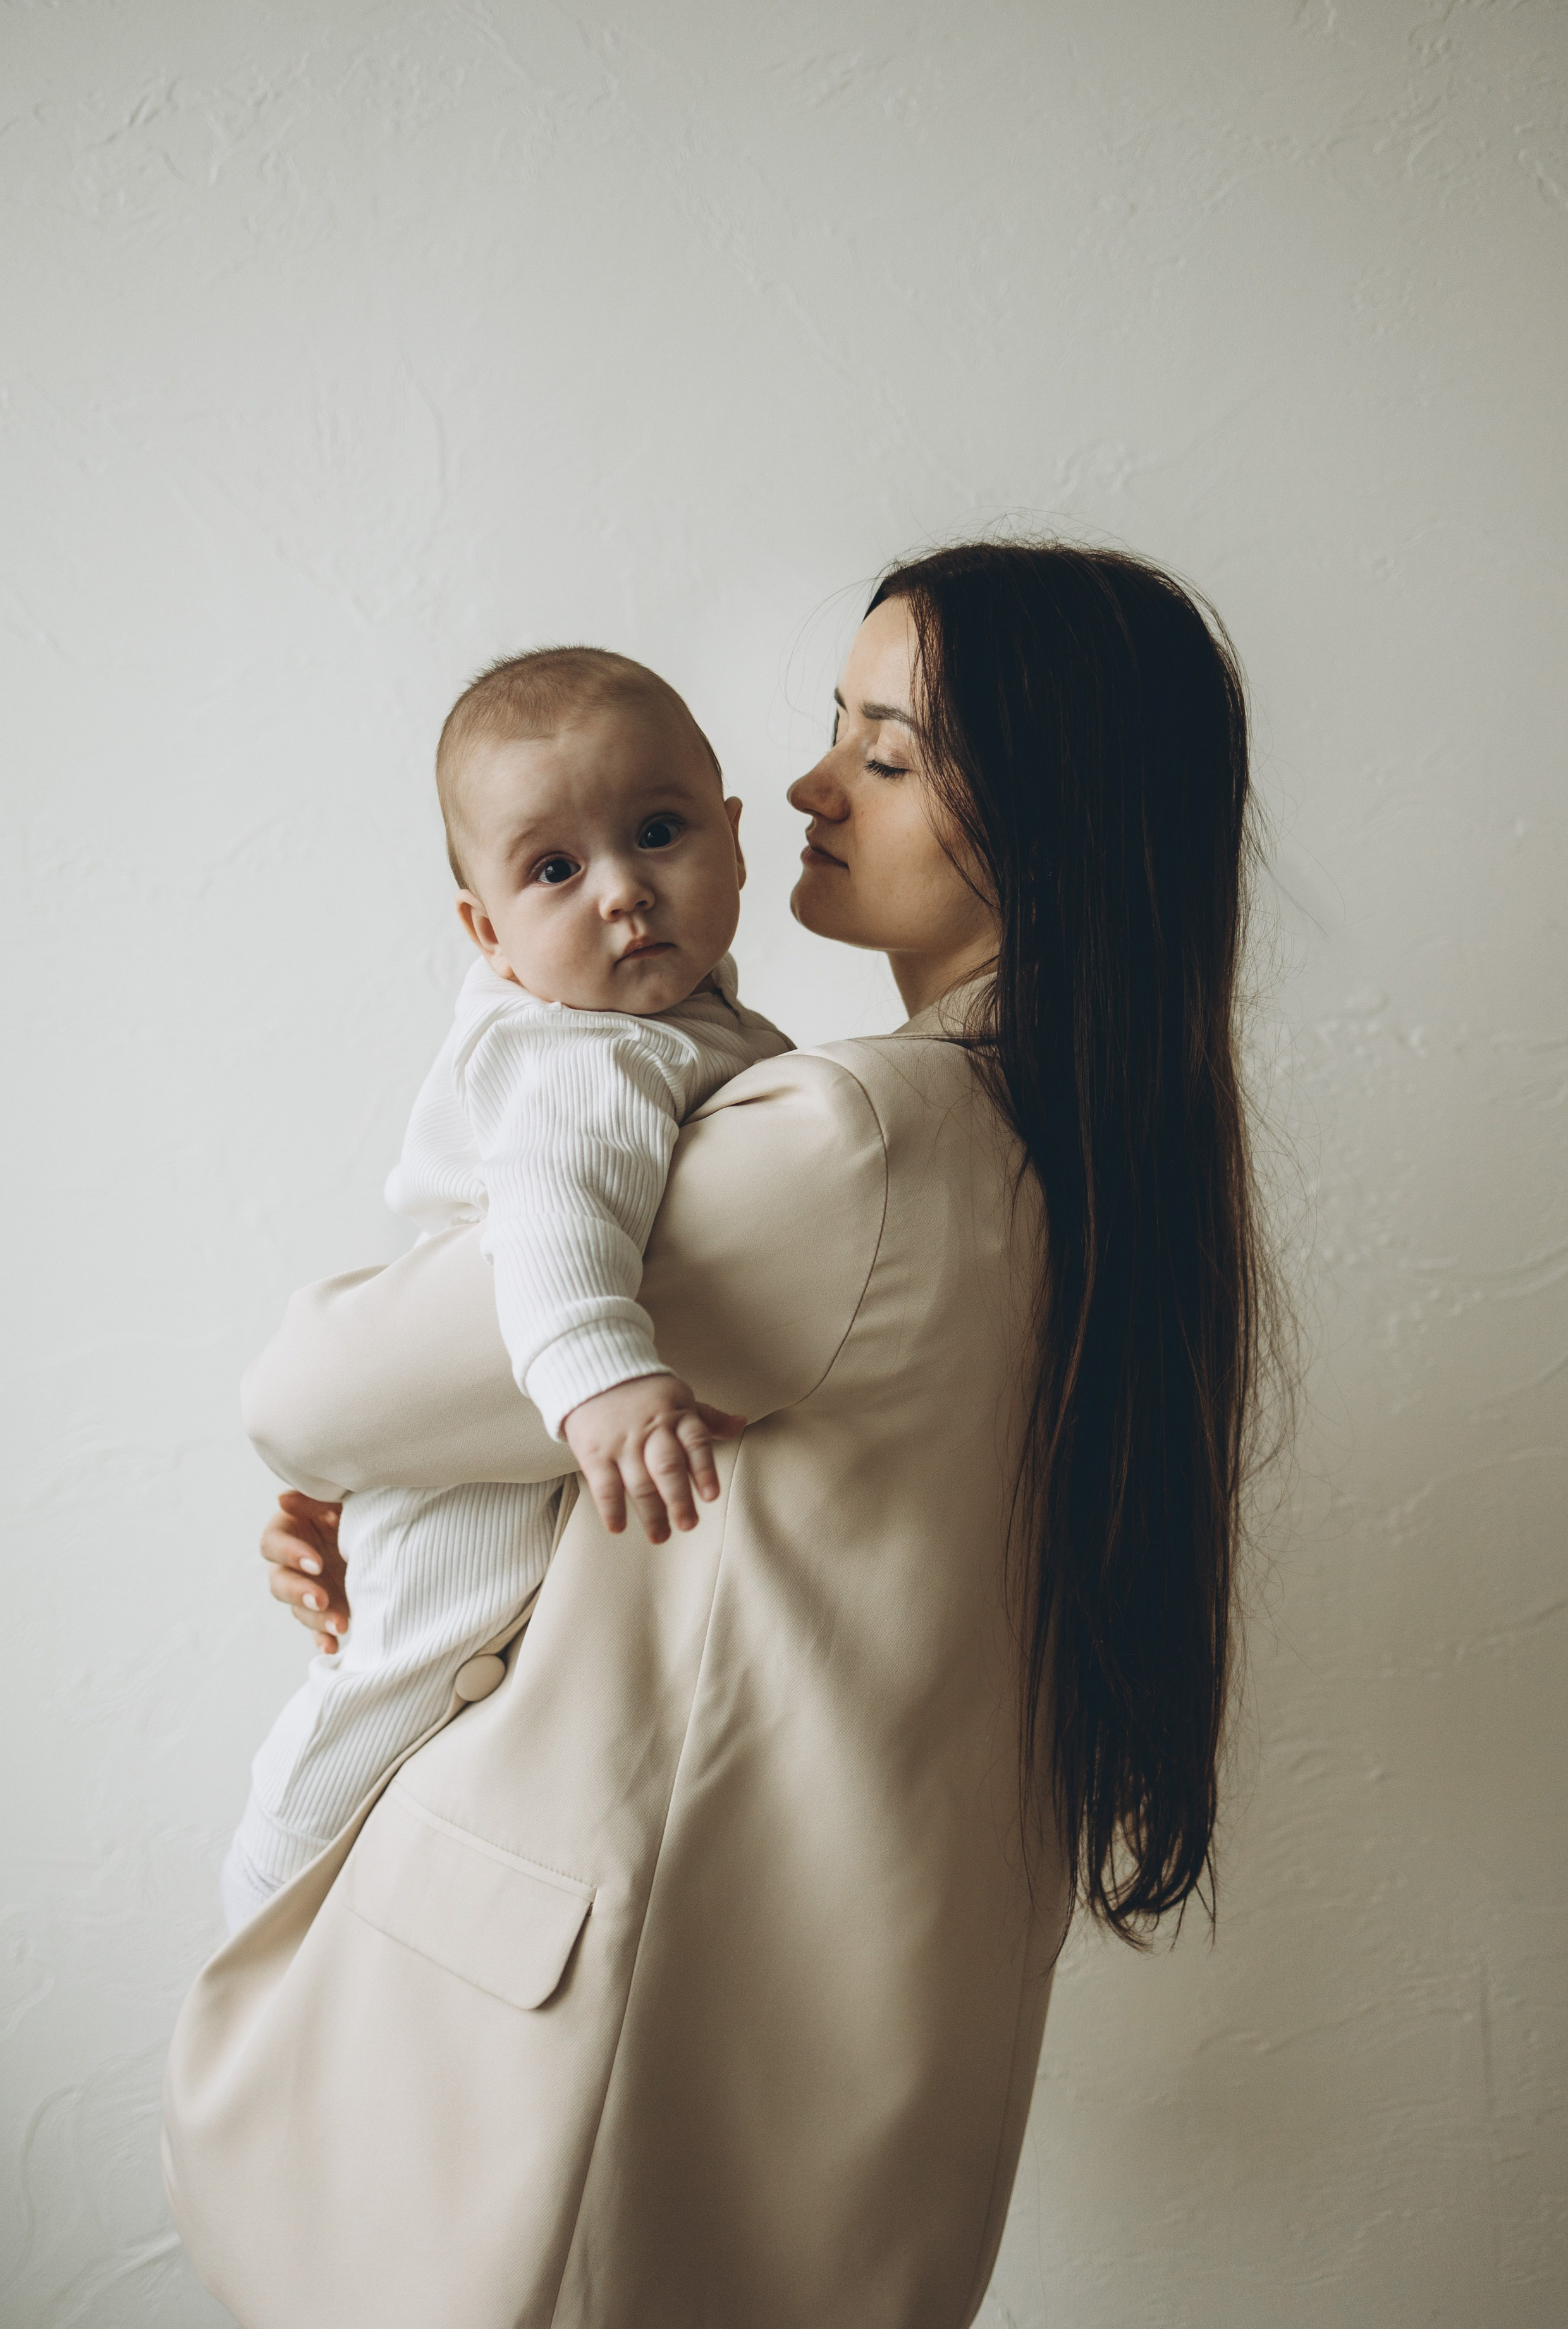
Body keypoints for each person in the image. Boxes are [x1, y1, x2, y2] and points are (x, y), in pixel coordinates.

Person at [163, 541, 1271, 2329]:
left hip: (597, 2074)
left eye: (889, 755)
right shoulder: (1083, 1154)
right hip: (842, 2076)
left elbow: (310, 1392)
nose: (814, 785)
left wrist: (388, 1455)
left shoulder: (849, 1146)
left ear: (1050, 815)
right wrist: (437, 1483)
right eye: (837, 730)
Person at [220, 645, 792, 1931]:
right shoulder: (580, 1050)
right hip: (487, 1459)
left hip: (486, 1424)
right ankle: (268, 1885)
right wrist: (604, 1381)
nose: (624, 893)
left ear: (733, 837)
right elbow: (550, 1224)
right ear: (486, 931)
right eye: (554, 870)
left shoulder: (693, 1026)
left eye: (658, 832)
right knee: (403, 1671)